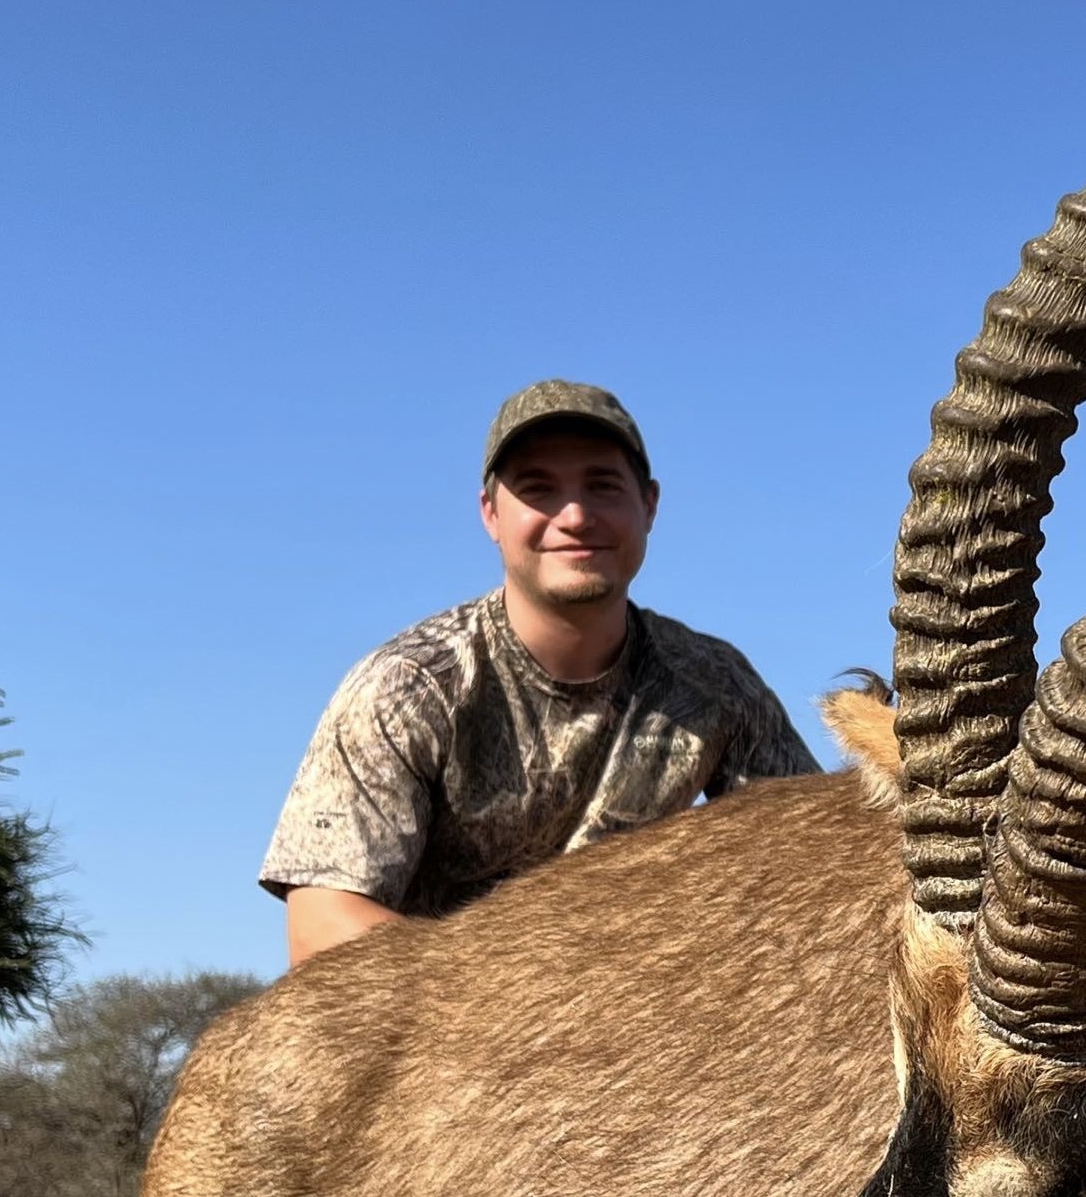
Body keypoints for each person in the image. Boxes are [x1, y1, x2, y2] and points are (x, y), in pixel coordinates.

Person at [261, 379, 819, 966]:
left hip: (644, 1026)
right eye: (538, 490)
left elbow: (810, 863)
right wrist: (544, 1002)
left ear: (649, 505)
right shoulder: (408, 685)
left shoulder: (716, 683)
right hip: (442, 1039)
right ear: (490, 515)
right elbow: (321, 929)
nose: (575, 516)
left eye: (602, 486)